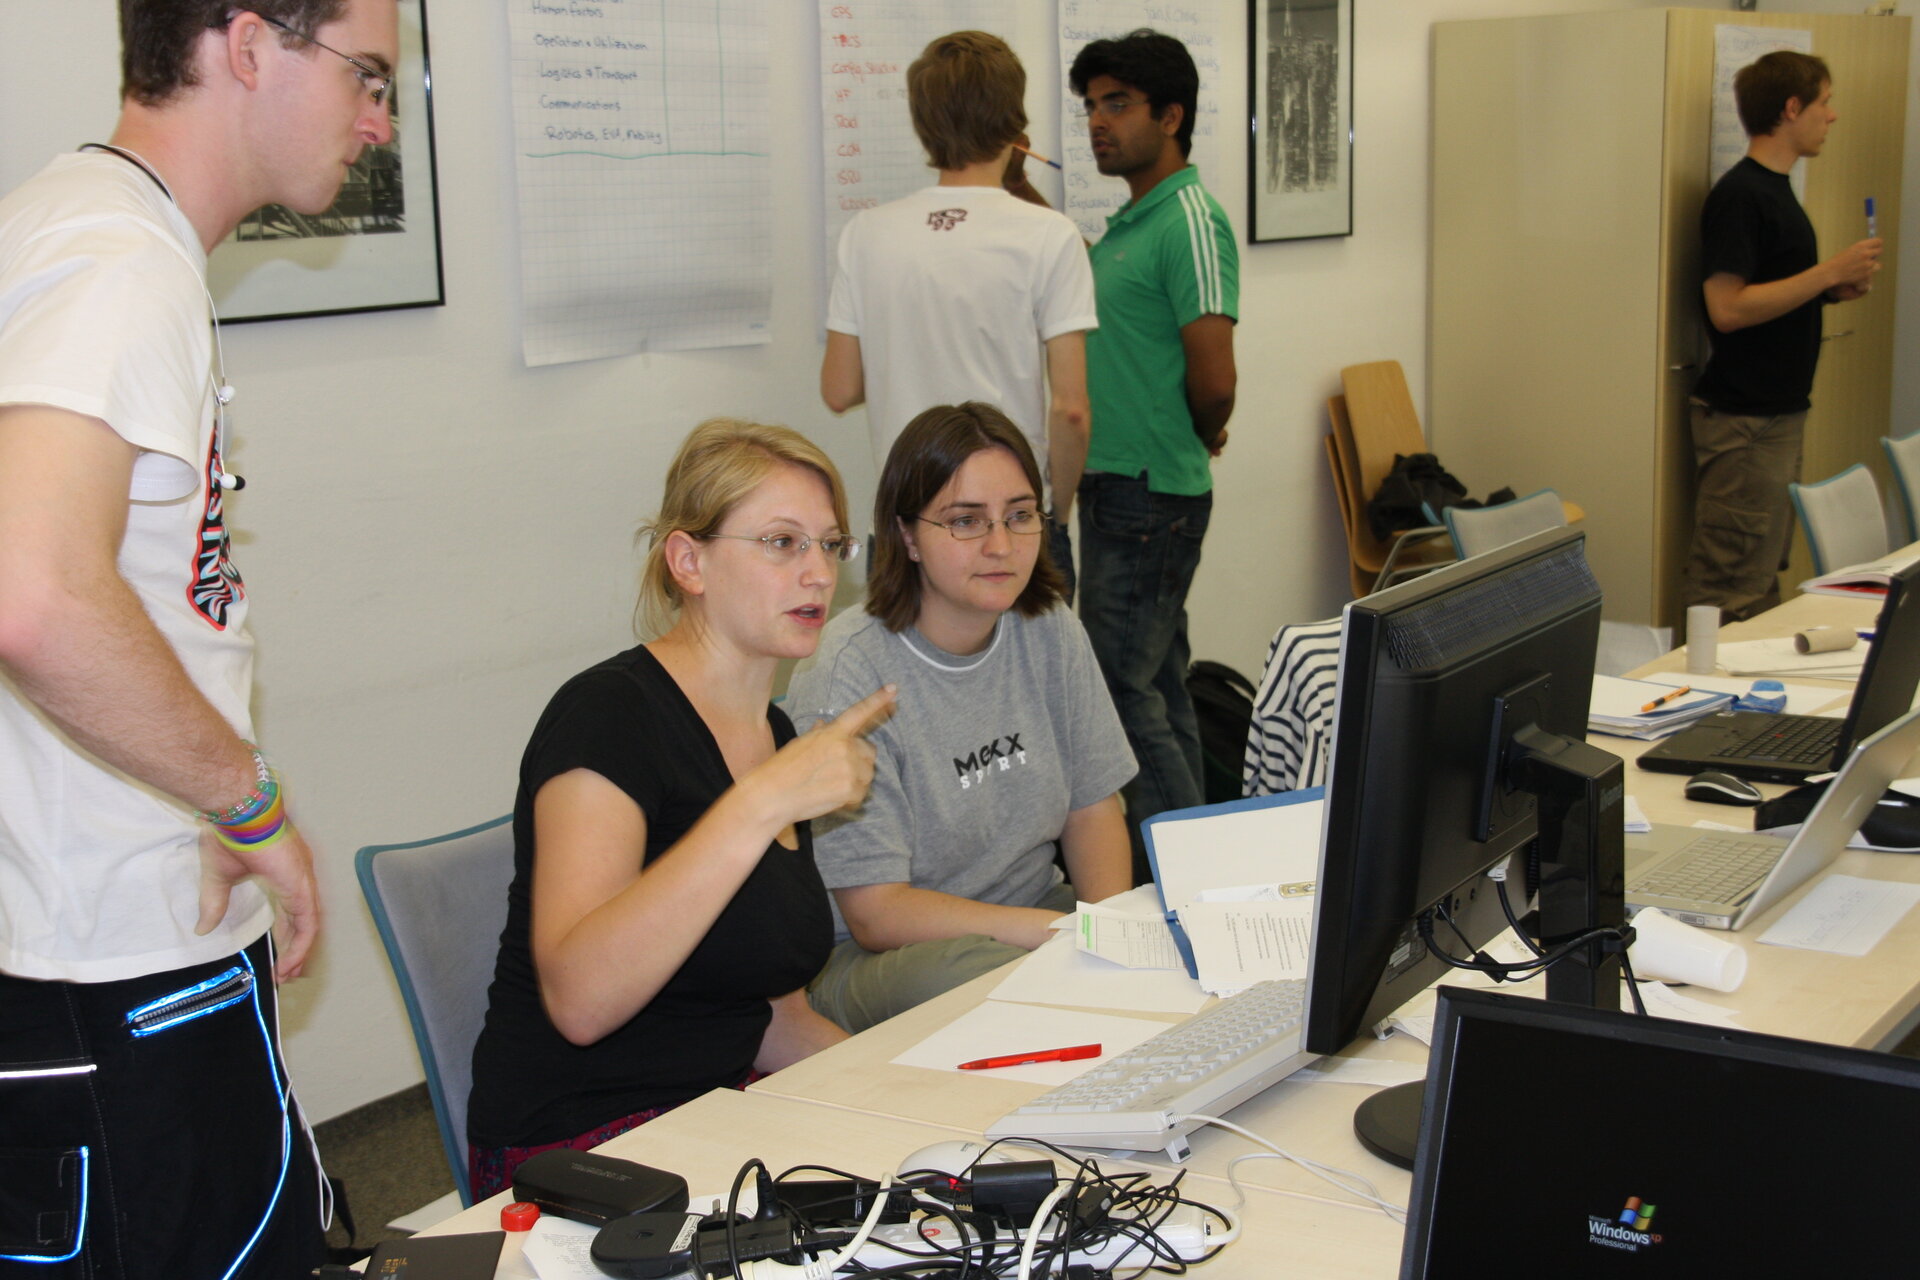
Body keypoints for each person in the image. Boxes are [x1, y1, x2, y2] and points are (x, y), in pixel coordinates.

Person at [0, 3, 397, 1274]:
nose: (379, 120)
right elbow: (33, 591)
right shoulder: (118, 259)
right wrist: (251, 804)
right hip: (114, 985)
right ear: (246, 46)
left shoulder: (82, 226)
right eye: (367, 75)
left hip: (111, 967)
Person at [465, 420, 894, 1198]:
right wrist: (761, 803)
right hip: (580, 1149)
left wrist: (896, 1093)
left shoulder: (774, 733)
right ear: (689, 561)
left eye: (831, 546)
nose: (818, 574)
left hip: (718, 1117)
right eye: (781, 542)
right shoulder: (606, 716)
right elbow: (581, 1002)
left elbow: (771, 1014)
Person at [788, 403, 1135, 1034]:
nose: (1001, 545)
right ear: (908, 535)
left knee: (1167, 933)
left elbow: (1093, 809)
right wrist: (1051, 934)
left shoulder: (1048, 625)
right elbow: (875, 912)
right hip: (879, 957)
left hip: (1027, 912)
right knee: (992, 986)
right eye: (966, 521)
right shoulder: (849, 672)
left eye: (1020, 515)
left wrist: (1111, 936)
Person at [821, 31, 1096, 591]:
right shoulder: (1050, 235)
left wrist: (913, 353)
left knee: (907, 679)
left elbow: (839, 388)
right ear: (1014, 123)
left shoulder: (866, 234)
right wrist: (1054, 514)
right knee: (1028, 677)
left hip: (909, 522)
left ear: (923, 124)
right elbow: (1070, 409)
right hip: (1009, 522)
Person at [1067, 29, 1238, 877]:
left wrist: (1200, 433)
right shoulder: (1130, 220)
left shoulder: (1191, 220)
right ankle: (1210, 872)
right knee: (1159, 687)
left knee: (1122, 691)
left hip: (1148, 493)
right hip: (1111, 487)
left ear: (1171, 115)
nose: (1098, 123)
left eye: (1117, 105)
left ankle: (1193, 882)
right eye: (1092, 106)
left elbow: (1214, 378)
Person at [1684, 50, 1882, 621]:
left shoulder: (1775, 190)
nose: (1833, 115)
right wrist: (1827, 272)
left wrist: (1827, 291)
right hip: (1744, 422)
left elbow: (1766, 288)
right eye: (1825, 101)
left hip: (1773, 417)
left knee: (1760, 577)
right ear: (1791, 108)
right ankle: (1705, 705)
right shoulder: (1742, 196)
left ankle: (1754, 707)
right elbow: (1726, 309)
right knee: (1730, 584)